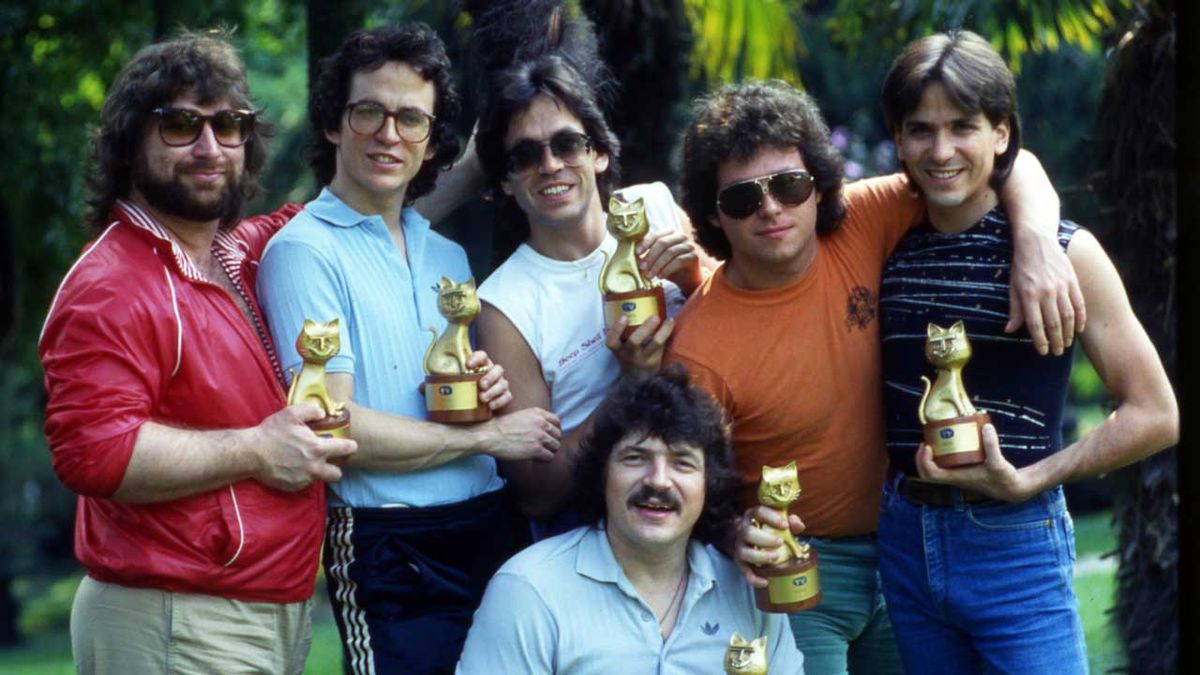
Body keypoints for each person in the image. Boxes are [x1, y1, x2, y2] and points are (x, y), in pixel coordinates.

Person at [664, 79, 1082, 674]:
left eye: (788, 185)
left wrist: (1038, 242)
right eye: (741, 199)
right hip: (802, 574)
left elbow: (1009, 163)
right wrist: (737, 533)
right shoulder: (701, 346)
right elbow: (689, 482)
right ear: (712, 213)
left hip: (909, 548)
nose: (771, 208)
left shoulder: (862, 219)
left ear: (818, 187)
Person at [39, 31, 357, 674]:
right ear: (132, 143)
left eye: (229, 126)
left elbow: (354, 216)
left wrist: (472, 169)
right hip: (175, 619)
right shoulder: (114, 284)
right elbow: (94, 452)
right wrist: (256, 449)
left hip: (260, 617)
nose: (210, 148)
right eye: (182, 125)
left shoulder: (235, 256)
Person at [255, 25, 562, 675]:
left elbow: (443, 401)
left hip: (491, 527)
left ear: (430, 140)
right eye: (369, 111)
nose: (388, 134)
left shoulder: (446, 254)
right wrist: (489, 438)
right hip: (392, 550)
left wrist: (483, 399)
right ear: (335, 125)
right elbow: (333, 429)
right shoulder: (304, 251)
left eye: (410, 118)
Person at [874, 30, 1178, 674]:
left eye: (963, 126)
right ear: (897, 139)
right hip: (903, 540)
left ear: (1002, 134)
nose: (942, 150)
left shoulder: (1066, 253)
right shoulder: (883, 246)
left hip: (1015, 542)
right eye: (921, 130)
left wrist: (1032, 480)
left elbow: (1156, 412)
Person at [472, 52, 715, 531]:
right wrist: (627, 382)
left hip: (712, 493)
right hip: (595, 528)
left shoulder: (654, 207)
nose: (550, 165)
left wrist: (698, 275)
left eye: (567, 144)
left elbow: (746, 324)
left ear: (599, 153)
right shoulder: (505, 304)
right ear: (505, 181)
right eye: (526, 155)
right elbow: (537, 492)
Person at [456, 367, 805, 674]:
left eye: (682, 462)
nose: (658, 480)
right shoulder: (529, 589)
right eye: (635, 458)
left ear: (708, 484)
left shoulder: (747, 590)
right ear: (602, 473)